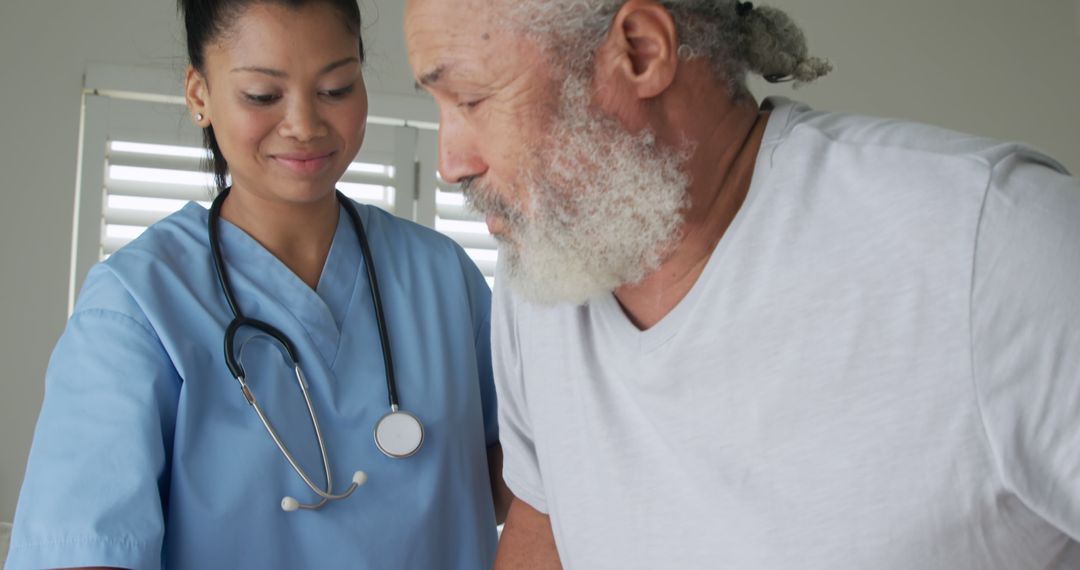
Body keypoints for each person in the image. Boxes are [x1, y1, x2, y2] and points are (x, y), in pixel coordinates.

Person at [405, 0, 1080, 568]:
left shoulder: (994, 240)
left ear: (640, 53)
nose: (450, 161)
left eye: (470, 98)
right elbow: (544, 516)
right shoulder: (544, 277)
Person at [7, 0, 510, 568]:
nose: (304, 125)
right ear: (200, 95)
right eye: (263, 96)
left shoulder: (443, 278)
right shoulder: (137, 306)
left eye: (337, 88)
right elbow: (86, 549)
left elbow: (530, 477)